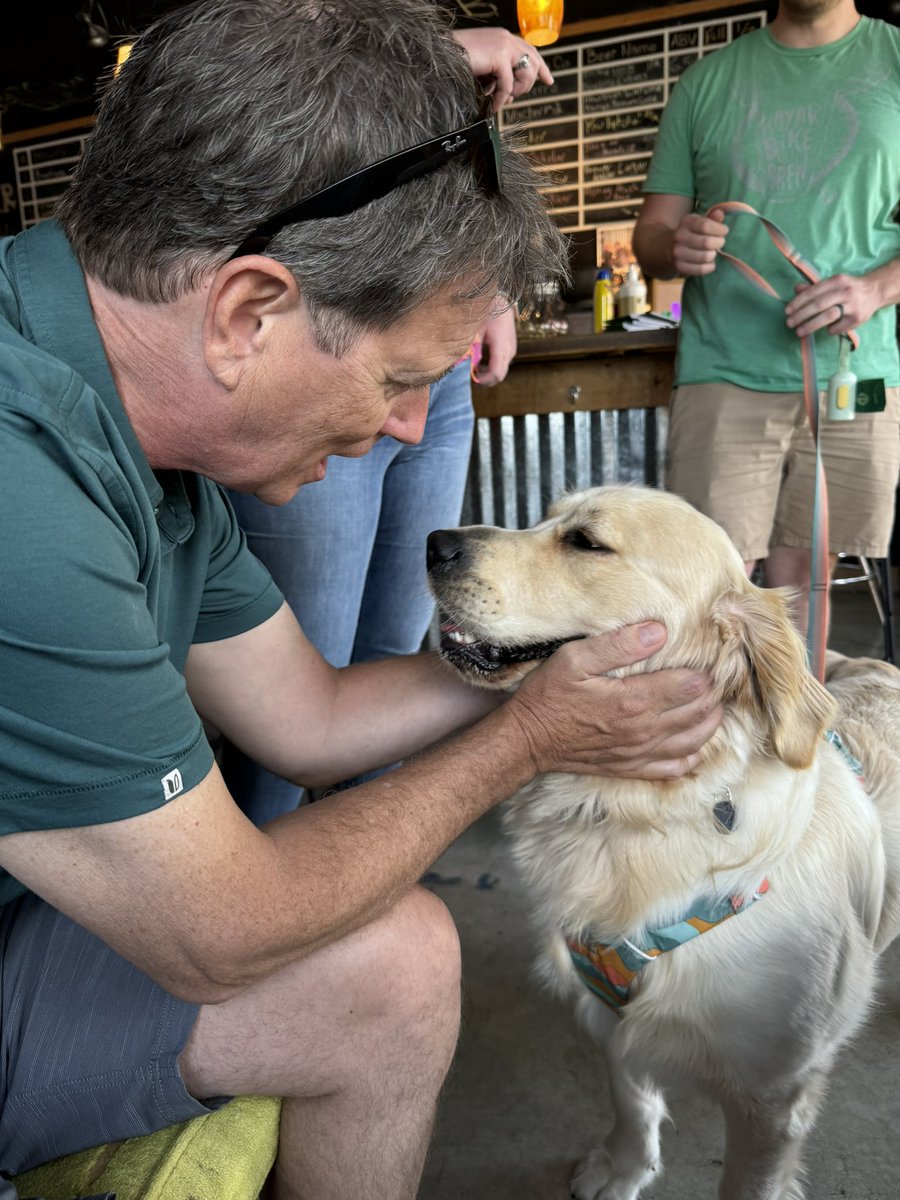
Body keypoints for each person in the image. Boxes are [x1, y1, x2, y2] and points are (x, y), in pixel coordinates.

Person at [0, 2, 722, 1196]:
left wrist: (540, 661)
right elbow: (222, 931)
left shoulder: (155, 449)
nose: (406, 430)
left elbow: (311, 716)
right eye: (400, 379)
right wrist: (532, 740)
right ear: (247, 314)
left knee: (396, 953)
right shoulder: (23, 480)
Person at [224, 28, 533, 824]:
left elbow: (460, 181)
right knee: (300, 674)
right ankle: (262, 863)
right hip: (338, 349)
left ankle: (360, 865)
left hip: (440, 358)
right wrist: (429, 56)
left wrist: (489, 291)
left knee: (400, 643)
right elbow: (250, 97)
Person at [633, 0, 900, 633]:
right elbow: (652, 234)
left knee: (809, 579)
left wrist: (875, 288)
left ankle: (796, 702)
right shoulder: (706, 82)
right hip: (722, 369)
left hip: (855, 373)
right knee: (708, 593)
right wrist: (674, 245)